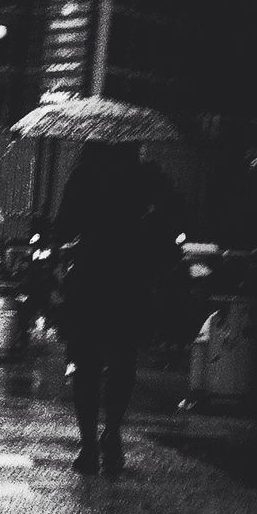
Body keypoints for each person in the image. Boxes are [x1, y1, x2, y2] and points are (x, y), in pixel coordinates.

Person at [54, 142, 180, 478]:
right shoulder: (146, 176)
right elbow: (174, 217)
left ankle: (88, 445)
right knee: (123, 360)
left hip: (91, 278)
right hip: (130, 280)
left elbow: (64, 227)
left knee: (86, 365)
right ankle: (112, 430)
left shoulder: (84, 175)